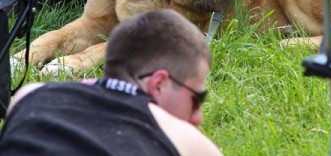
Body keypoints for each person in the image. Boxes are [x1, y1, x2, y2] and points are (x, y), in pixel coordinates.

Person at [0, 9, 222, 156]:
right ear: (159, 83)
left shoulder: (29, 95)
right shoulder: (179, 135)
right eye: (196, 98)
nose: (198, 117)